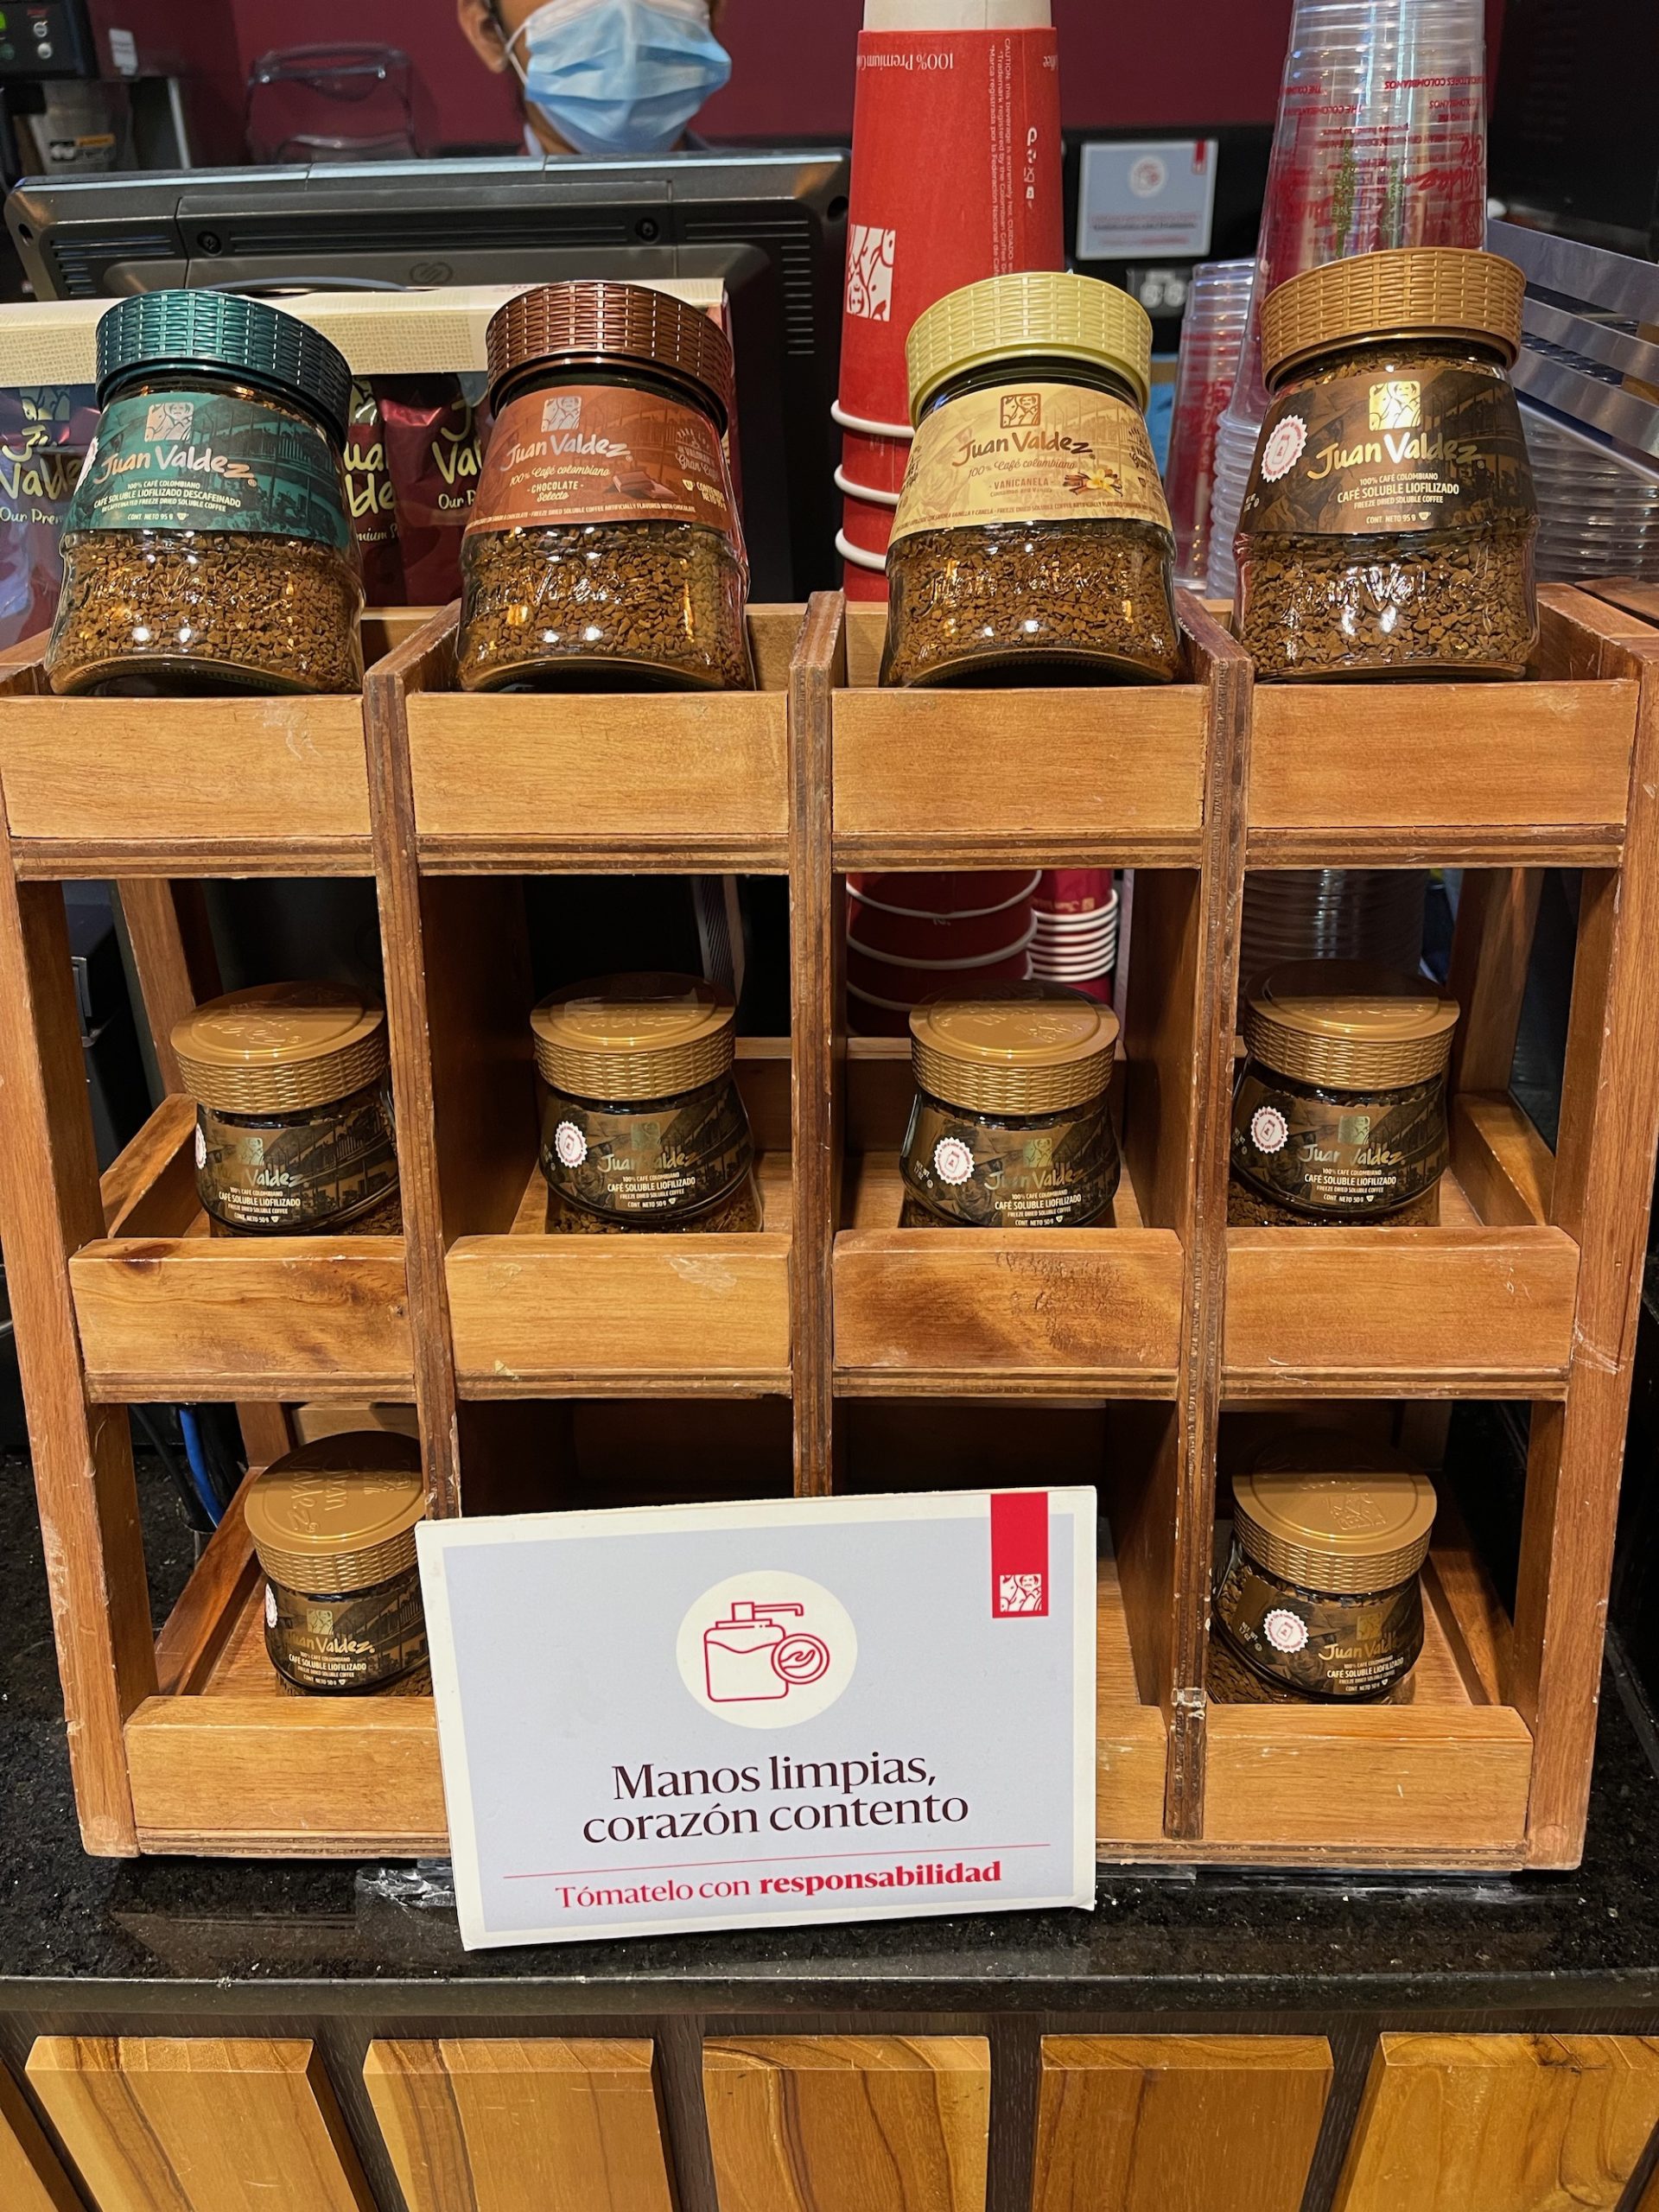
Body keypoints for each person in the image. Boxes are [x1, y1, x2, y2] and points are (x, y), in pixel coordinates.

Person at [456, 0, 733, 157]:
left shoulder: (774, 207)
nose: (625, 12)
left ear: (715, 10)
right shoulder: (452, 250)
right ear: (489, 33)